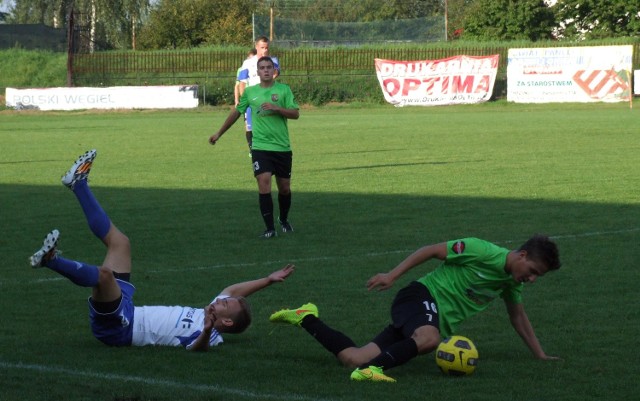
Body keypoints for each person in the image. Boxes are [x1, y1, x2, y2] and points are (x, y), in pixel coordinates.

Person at [29, 149, 296, 350]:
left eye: (224, 304)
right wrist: (268, 280)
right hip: (128, 307)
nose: (221, 299)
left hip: (120, 329)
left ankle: (51, 261)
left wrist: (204, 331)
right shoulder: (212, 310)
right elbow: (234, 291)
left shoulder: (212, 335)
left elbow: (195, 349)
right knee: (120, 242)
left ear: (226, 322)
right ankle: (78, 184)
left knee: (105, 276)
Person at [269, 235, 561, 382]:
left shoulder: (512, 283)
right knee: (430, 340)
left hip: (422, 319)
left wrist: (540, 354)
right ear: (521, 255)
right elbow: (432, 250)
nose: (532, 279)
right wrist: (392, 275)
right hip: (418, 296)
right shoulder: (482, 251)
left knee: (352, 358)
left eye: (538, 276)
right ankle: (372, 371)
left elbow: (518, 317)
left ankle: (305, 317)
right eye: (532, 270)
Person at [210, 56, 299, 239]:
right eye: (262, 68)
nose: (266, 70)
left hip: (282, 147)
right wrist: (219, 133)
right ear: (257, 72)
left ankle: (283, 219)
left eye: (269, 67)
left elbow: (295, 113)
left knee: (284, 188)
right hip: (260, 147)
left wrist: (277, 109)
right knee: (263, 182)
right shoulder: (250, 93)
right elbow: (236, 113)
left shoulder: (284, 90)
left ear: (274, 71)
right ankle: (269, 229)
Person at [236, 36, 280, 154]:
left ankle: (268, 149)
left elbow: (275, 75)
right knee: (249, 127)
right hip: (252, 101)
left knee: (268, 126)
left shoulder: (274, 61)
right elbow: (242, 83)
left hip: (267, 101)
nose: (265, 50)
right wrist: (244, 100)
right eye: (262, 48)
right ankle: (253, 150)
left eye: (267, 48)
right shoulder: (248, 63)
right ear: (256, 48)